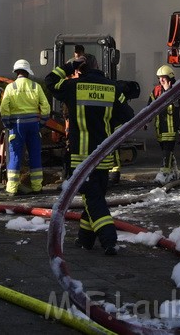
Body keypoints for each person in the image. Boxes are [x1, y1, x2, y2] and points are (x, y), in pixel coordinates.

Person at [43, 54, 132, 255]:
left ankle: (109, 239)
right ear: (98, 66)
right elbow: (128, 116)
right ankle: (85, 240)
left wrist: (67, 66)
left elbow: (50, 82)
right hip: (103, 156)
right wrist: (109, 128)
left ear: (79, 70)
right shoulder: (112, 88)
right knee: (94, 197)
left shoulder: (73, 87)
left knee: (93, 200)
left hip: (81, 158)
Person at [0, 59, 50, 195]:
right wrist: (42, 122)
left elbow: (4, 108)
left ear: (16, 72)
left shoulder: (11, 87)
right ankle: (37, 187)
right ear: (28, 72)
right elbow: (45, 107)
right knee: (35, 154)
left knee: (15, 155)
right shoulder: (36, 86)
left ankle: (11, 189)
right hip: (33, 125)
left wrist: (7, 124)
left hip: (16, 126)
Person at [150, 64, 180, 184]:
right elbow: (150, 107)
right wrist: (146, 121)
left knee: (167, 150)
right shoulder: (156, 91)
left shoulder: (177, 90)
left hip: (171, 128)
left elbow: (178, 103)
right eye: (159, 78)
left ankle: (164, 174)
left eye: (163, 77)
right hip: (160, 128)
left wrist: (169, 91)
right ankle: (173, 172)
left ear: (170, 77)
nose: (161, 80)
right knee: (166, 151)